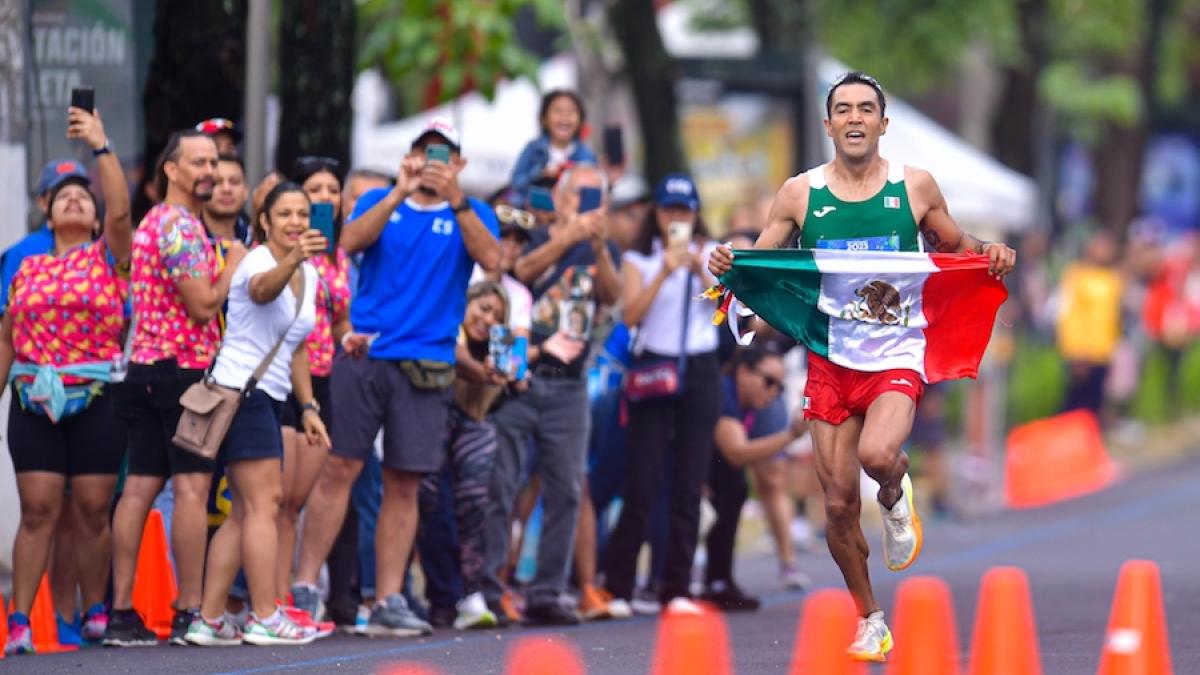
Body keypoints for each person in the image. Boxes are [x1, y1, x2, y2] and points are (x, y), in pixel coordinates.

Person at [708, 71, 1016, 661]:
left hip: (896, 353)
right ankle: (869, 616)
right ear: (828, 125)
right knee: (838, 502)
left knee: (877, 456)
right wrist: (728, 262)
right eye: (843, 109)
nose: (854, 118)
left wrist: (990, 251)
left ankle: (896, 491)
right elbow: (758, 259)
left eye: (865, 109)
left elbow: (956, 244)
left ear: (882, 122)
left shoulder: (915, 186)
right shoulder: (800, 193)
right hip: (829, 357)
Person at [288, 119, 500, 637]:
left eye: (443, 155)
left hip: (427, 364)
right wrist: (399, 192)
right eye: (424, 153)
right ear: (408, 157)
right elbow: (349, 243)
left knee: (404, 482)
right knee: (338, 469)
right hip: (365, 353)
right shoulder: (379, 199)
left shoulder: (474, 210)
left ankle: (387, 598)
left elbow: (492, 260)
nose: (433, 163)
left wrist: (457, 200)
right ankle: (304, 588)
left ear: (459, 164)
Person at [104, 129, 248, 647]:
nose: (210, 170)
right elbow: (204, 305)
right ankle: (191, 610)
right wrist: (232, 264)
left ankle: (120, 613)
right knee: (190, 489)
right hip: (184, 375)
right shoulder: (182, 228)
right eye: (200, 162)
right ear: (171, 169)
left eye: (215, 162)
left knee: (139, 488)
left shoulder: (152, 224)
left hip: (142, 370)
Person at [2, 106, 132, 656]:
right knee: (38, 512)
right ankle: (19, 622)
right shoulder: (25, 268)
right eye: (63, 197)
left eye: (85, 196)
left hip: (97, 397)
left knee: (91, 511)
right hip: (33, 399)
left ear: (98, 219)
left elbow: (124, 213)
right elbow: (7, 337)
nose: (75, 199)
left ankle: (95, 607)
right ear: (48, 216)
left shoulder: (111, 259)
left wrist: (102, 149)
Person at [185, 182, 331, 646]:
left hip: (267, 395)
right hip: (240, 392)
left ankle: (209, 619)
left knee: (244, 512)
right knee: (264, 504)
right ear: (264, 221)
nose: (295, 222)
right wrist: (290, 257)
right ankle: (264, 615)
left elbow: (296, 344)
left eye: (303, 214)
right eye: (284, 214)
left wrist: (307, 406)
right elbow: (262, 292)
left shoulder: (309, 273)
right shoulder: (259, 260)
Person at [482, 162, 621, 626]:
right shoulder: (534, 234)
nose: (587, 205)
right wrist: (568, 235)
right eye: (580, 195)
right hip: (520, 375)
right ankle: (489, 589)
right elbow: (520, 273)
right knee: (501, 486)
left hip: (570, 384)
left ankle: (546, 592)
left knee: (565, 488)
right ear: (559, 197)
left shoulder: (600, 242)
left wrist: (597, 246)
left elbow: (612, 294)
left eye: (595, 196)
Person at [602, 173, 720, 616]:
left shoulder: (710, 253)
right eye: (669, 209)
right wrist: (666, 272)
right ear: (656, 211)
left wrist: (698, 269)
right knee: (642, 480)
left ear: (695, 213)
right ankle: (619, 585)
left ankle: (676, 588)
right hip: (654, 365)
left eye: (684, 210)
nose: (676, 218)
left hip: (699, 368)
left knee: (690, 484)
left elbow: (728, 304)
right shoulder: (640, 258)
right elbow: (630, 316)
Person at [274, 157, 352, 614]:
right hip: (282, 379)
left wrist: (352, 338)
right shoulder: (282, 249)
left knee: (299, 499)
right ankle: (272, 596)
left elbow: (339, 317)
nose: (325, 198)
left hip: (325, 378)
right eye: (314, 189)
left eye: (332, 189)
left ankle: (293, 593)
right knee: (278, 498)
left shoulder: (338, 253)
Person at [417, 281, 515, 630]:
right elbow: (458, 356)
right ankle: (443, 597)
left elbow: (493, 396)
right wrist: (481, 371)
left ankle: (472, 592)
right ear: (467, 303)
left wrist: (512, 373)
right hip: (435, 417)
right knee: (434, 503)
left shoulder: (501, 346)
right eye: (483, 309)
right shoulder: (450, 329)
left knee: (474, 504)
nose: (488, 319)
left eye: (497, 316)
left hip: (474, 423)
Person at [703, 347, 807, 612]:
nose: (773, 392)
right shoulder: (724, 392)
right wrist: (789, 437)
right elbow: (736, 452)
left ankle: (719, 580)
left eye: (780, 387)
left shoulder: (746, 400)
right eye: (769, 382)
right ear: (743, 371)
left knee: (736, 485)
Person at [0, 159, 89, 314]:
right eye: (62, 193)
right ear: (43, 203)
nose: (73, 199)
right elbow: (7, 316)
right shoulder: (22, 252)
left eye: (82, 192)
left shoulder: (103, 253)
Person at [508, 90, 597, 209]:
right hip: (533, 213)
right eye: (558, 111)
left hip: (570, 216)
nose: (564, 117)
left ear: (581, 121)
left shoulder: (586, 156)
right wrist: (540, 174)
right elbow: (516, 183)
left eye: (571, 112)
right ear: (543, 119)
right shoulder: (533, 149)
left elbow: (592, 193)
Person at [203, 154, 254, 246]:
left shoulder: (255, 238)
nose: (226, 189)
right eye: (217, 182)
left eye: (234, 182)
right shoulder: (184, 236)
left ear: (246, 191)